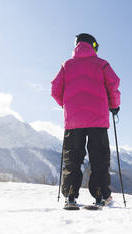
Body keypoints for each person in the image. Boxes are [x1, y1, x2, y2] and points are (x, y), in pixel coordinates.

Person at [51, 33, 121, 207]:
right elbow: (113, 85)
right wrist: (114, 105)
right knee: (99, 159)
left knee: (72, 159)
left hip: (73, 122)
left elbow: (55, 89)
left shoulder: (66, 65)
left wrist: (66, 105)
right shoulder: (102, 64)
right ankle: (101, 195)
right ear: (93, 46)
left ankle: (71, 196)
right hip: (98, 120)